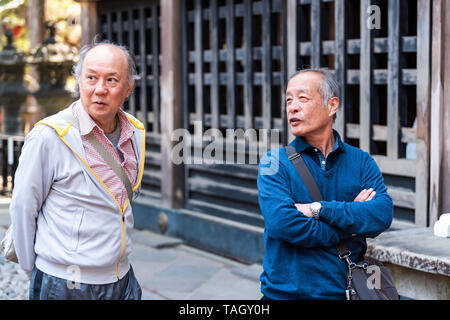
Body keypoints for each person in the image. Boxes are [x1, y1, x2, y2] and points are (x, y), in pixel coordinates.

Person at [10, 40, 146, 300]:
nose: (99, 90)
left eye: (112, 80)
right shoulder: (49, 136)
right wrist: (38, 272)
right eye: (91, 78)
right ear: (79, 81)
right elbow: (22, 207)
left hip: (122, 278)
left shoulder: (135, 133)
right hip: (65, 283)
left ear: (129, 88)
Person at [257, 68, 393, 300]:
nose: (292, 107)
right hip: (285, 295)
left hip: (345, 293)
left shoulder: (360, 161)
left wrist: (318, 209)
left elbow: (381, 214)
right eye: (288, 100)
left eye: (303, 98)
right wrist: (350, 225)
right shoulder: (274, 162)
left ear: (332, 105)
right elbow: (283, 224)